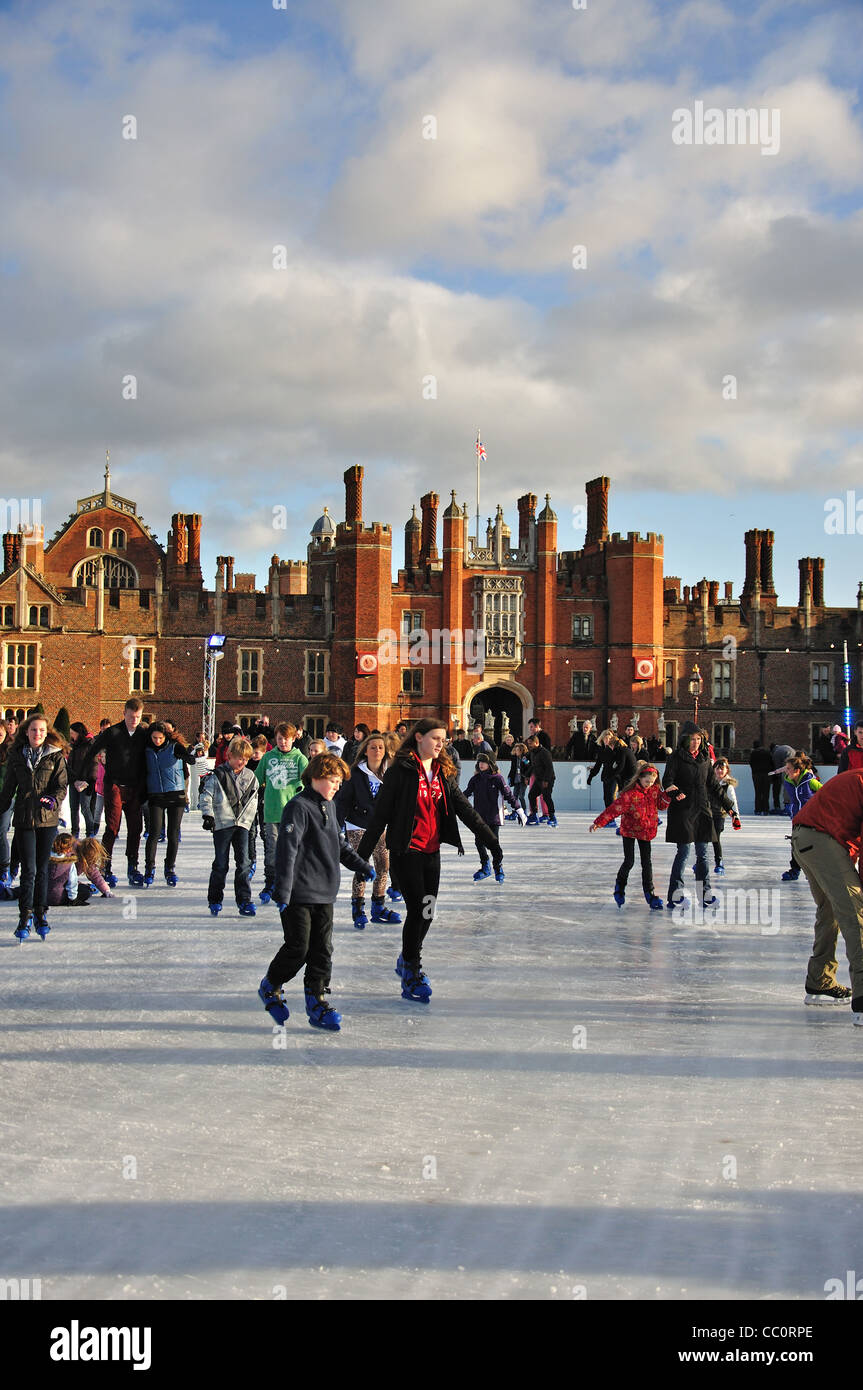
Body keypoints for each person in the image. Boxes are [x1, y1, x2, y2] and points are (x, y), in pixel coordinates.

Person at [356, 719, 504, 1002]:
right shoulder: (401, 771)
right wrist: (361, 859)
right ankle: (412, 970)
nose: (441, 743)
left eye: (443, 739)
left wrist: (492, 843)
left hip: (430, 852)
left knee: (428, 911)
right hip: (405, 851)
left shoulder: (442, 772)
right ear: (419, 738)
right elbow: (380, 816)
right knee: (416, 910)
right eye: (436, 738)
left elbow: (465, 809)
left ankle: (407, 958)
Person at [258, 753, 376, 1031]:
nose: (337, 786)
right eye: (333, 780)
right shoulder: (298, 807)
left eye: (339, 782)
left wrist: (361, 866)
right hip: (298, 892)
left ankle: (317, 999)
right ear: (315, 777)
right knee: (298, 948)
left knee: (323, 950)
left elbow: (340, 844)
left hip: (325, 891)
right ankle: (271, 984)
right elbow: (287, 851)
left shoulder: (331, 806)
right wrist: (283, 891)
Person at [791, 766, 863, 1018]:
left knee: (831, 909)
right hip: (822, 840)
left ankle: (820, 981)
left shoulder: (857, 777)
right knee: (855, 912)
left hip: (805, 839)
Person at [0, 713, 68, 940]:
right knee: (28, 870)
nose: (37, 734)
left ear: (46, 733)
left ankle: (40, 913)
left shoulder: (55, 756)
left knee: (41, 870)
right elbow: (8, 789)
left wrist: (54, 799)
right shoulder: (17, 756)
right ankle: (24, 916)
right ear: (26, 732)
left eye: (41, 730)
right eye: (33, 730)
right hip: (24, 820)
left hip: (47, 821)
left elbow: (61, 785)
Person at [662, 727, 737, 908]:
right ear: (685, 740)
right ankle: (675, 896)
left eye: (698, 739)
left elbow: (714, 786)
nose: (695, 742)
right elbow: (667, 781)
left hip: (703, 811)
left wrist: (730, 808)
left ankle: (705, 896)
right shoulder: (676, 758)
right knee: (683, 853)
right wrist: (675, 792)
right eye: (692, 739)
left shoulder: (705, 760)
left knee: (703, 855)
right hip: (683, 811)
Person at [335, 731, 401, 928]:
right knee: (362, 866)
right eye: (373, 747)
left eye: (381, 747)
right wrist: (338, 825)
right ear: (365, 751)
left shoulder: (391, 773)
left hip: (380, 827)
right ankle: (358, 908)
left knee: (383, 866)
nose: (377, 751)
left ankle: (378, 906)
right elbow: (343, 801)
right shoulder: (355, 773)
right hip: (357, 825)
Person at [590, 762, 674, 909]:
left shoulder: (654, 791)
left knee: (646, 863)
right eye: (647, 781)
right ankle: (619, 888)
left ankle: (650, 893)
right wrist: (599, 822)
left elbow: (662, 805)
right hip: (629, 830)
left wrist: (668, 794)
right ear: (640, 778)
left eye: (652, 782)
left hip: (646, 831)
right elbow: (613, 809)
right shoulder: (630, 794)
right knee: (629, 861)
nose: (649, 784)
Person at [88, 698, 149, 887]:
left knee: (135, 828)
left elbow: (159, 744)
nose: (134, 720)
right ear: (124, 714)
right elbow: (92, 751)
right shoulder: (113, 732)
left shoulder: (143, 733)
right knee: (112, 827)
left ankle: (133, 866)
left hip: (135, 788)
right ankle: (105, 866)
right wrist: (84, 776)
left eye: (138, 717)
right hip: (114, 785)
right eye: (131, 717)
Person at [199, 737, 259, 917]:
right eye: (239, 758)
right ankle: (215, 899)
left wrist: (250, 822)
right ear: (229, 756)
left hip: (242, 826)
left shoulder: (250, 776)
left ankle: (244, 900)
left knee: (244, 864)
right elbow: (206, 795)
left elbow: (253, 801)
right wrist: (208, 815)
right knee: (220, 864)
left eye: (246, 759)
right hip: (223, 824)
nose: (242, 762)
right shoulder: (218, 775)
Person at [255, 723, 308, 905]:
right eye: (279, 739)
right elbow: (256, 780)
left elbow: (308, 783)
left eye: (286, 739)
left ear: (293, 739)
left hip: (293, 814)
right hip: (271, 811)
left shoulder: (300, 759)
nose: (283, 742)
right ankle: (270, 883)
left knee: (293, 851)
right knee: (272, 850)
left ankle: (292, 884)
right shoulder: (268, 757)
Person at [143, 722, 195, 887]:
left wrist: (188, 756)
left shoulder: (174, 747)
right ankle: (149, 868)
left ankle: (169, 868)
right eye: (154, 738)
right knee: (154, 832)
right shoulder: (146, 749)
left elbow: (190, 759)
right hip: (156, 794)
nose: (157, 741)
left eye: (160, 738)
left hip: (175, 794)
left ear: (165, 736)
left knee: (173, 833)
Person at [464, 752, 526, 881]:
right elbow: (466, 795)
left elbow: (509, 795)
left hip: (494, 817)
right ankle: (485, 866)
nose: (481, 764)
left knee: (493, 843)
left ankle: (498, 867)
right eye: (479, 762)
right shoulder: (475, 779)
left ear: (490, 764)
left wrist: (519, 809)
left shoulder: (497, 778)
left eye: (484, 762)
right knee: (479, 842)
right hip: (479, 817)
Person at [780, 754, 822, 881]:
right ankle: (794, 870)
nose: (786, 771)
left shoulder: (810, 781)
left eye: (788, 768)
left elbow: (825, 792)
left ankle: (813, 872)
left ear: (797, 770)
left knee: (811, 845)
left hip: (811, 819)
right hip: (797, 817)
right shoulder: (788, 780)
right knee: (796, 844)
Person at [587, 730, 635, 826]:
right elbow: (597, 765)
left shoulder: (617, 750)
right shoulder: (602, 751)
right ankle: (610, 819)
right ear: (602, 739)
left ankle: (612, 819)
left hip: (614, 776)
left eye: (609, 738)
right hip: (606, 776)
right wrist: (591, 776)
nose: (607, 740)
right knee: (606, 797)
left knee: (611, 797)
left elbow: (619, 766)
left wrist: (617, 776)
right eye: (605, 738)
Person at [709, 758, 741, 876]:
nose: (719, 771)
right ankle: (700, 861)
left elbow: (733, 802)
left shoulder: (728, 786)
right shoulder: (709, 782)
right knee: (702, 839)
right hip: (707, 814)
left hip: (719, 815)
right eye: (717, 768)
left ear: (727, 770)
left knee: (715, 838)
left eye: (722, 769)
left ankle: (719, 862)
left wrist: (735, 817)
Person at [67, 722, 97, 838]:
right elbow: (69, 764)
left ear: (79, 733)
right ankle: (75, 832)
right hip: (74, 781)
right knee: (73, 808)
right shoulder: (72, 745)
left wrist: (89, 781)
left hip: (86, 782)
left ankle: (90, 832)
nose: (71, 736)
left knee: (85, 808)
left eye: (72, 733)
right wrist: (72, 779)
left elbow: (94, 764)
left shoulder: (90, 744)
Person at [525, 734, 558, 827]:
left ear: (536, 743)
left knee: (546, 797)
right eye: (528, 744)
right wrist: (527, 776)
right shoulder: (533, 753)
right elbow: (533, 766)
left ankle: (552, 817)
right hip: (539, 779)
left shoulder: (544, 753)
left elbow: (549, 767)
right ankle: (534, 815)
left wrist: (546, 780)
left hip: (548, 779)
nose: (529, 746)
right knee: (531, 795)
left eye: (531, 744)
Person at [749, 741, 774, 816]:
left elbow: (751, 763)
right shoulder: (767, 752)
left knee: (758, 793)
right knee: (766, 793)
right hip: (767, 774)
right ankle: (765, 809)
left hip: (756, 774)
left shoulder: (753, 753)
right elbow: (772, 763)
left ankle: (758, 810)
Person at [770, 741, 795, 812]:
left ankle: (787, 806)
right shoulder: (785, 747)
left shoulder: (776, 753)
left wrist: (777, 776)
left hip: (787, 768)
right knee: (791, 786)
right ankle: (791, 805)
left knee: (786, 786)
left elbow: (777, 766)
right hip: (794, 768)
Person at [507, 741, 532, 814]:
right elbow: (512, 768)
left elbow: (529, 767)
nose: (516, 751)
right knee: (514, 797)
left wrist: (526, 762)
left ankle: (524, 811)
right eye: (515, 750)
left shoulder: (525, 757)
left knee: (521, 796)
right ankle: (514, 811)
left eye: (517, 750)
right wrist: (509, 777)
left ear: (522, 751)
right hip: (516, 779)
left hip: (523, 779)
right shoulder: (514, 758)